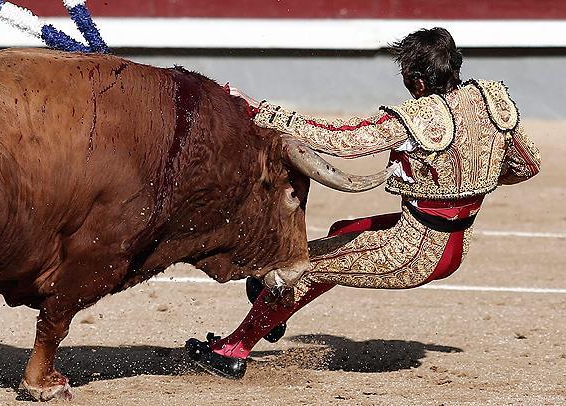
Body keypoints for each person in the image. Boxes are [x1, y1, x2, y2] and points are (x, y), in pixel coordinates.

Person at [186, 27, 541, 379]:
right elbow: (527, 165)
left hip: (413, 250)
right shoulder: (490, 101)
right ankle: (273, 308)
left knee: (297, 266)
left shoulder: (420, 117)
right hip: (455, 244)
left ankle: (232, 350)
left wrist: (260, 112)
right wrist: (473, 181)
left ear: (418, 83)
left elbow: (345, 141)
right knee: (341, 233)